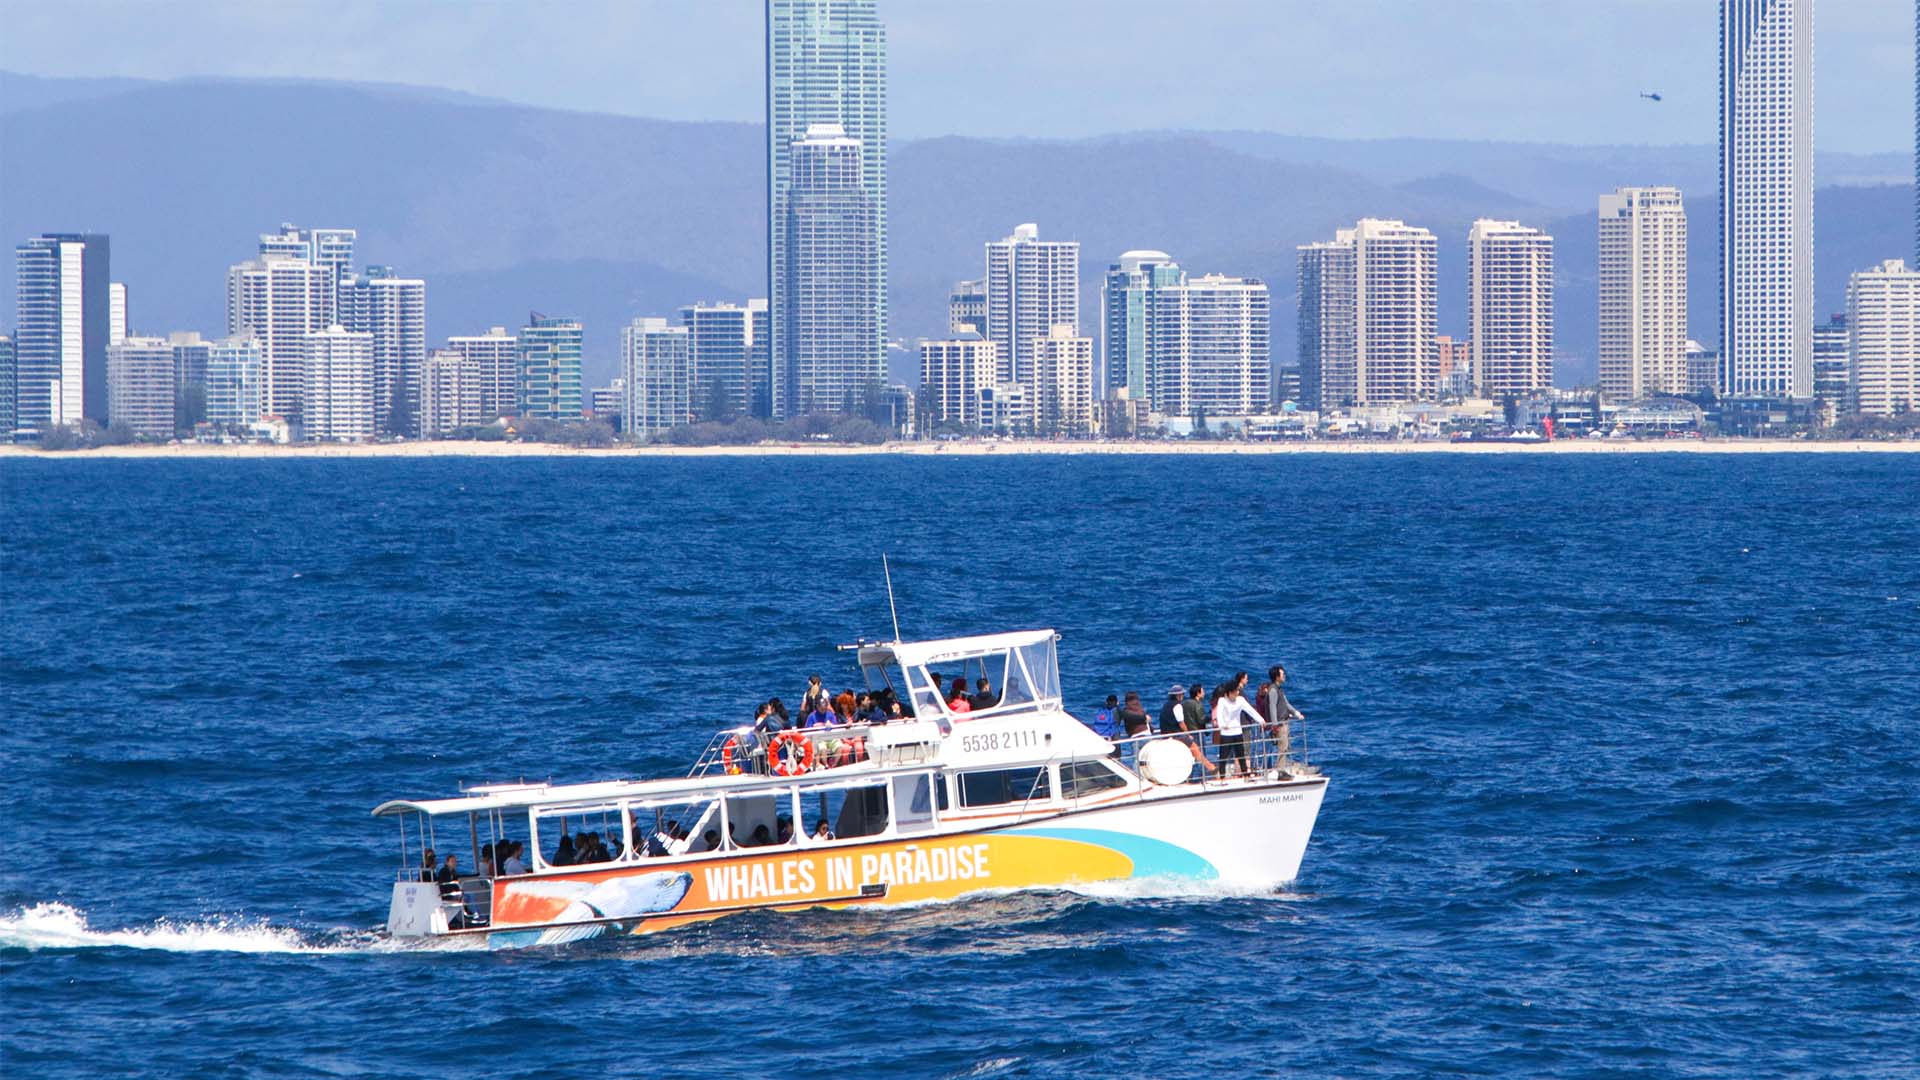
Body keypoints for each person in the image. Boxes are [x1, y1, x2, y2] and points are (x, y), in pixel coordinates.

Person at [1211, 679, 1263, 778]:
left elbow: (1250, 710)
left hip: (1237, 732)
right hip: (1226, 733)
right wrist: (1222, 725)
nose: (1238, 693)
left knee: (1241, 756)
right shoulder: (1222, 701)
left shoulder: (1240, 700)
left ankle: (1246, 776)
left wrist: (1261, 720)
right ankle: (1222, 777)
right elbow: (1219, 715)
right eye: (1236, 691)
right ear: (1230, 692)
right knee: (1223, 757)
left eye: (1238, 691)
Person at [1256, 665, 1304, 759]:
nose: (1284, 675)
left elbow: (1286, 704)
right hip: (1280, 724)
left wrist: (1296, 713)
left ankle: (1283, 768)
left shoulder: (1279, 689)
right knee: (1282, 749)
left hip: (1284, 722)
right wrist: (1275, 725)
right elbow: (1272, 707)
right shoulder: (1273, 690)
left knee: (1285, 747)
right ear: (1277, 677)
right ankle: (1280, 770)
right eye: (1282, 674)